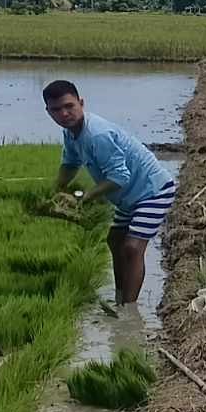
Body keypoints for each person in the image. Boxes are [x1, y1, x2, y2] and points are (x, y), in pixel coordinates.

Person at [44, 80, 175, 305]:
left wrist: (84, 197)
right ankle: (120, 295)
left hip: (152, 191)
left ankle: (128, 308)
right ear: (49, 112)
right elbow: (70, 164)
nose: (64, 114)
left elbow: (120, 176)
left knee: (132, 248)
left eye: (69, 106)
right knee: (115, 240)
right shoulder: (71, 133)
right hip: (128, 197)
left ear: (81, 103)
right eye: (56, 110)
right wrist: (54, 191)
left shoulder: (97, 134)